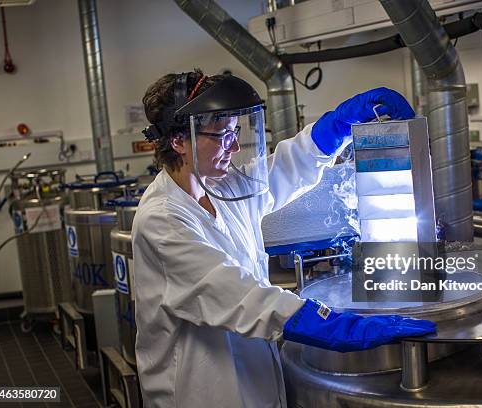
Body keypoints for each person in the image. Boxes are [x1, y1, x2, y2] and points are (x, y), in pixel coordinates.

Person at [132, 68, 436, 408]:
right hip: (199, 393)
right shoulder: (163, 221)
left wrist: (336, 126)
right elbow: (247, 299)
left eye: (235, 134)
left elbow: (284, 170)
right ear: (178, 140)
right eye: (221, 136)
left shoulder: (220, 187)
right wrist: (343, 328)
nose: (233, 147)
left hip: (254, 385)